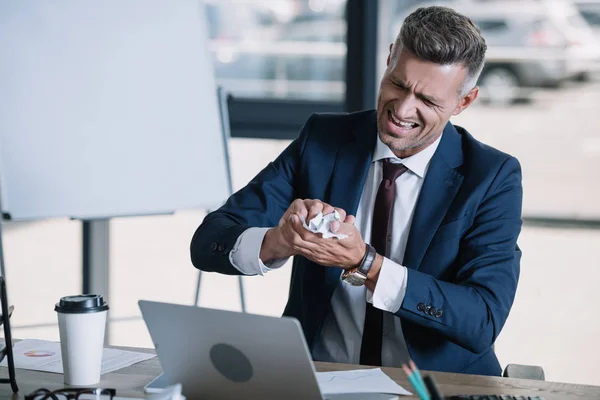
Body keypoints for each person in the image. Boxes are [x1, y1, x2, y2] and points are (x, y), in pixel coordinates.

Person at [190, 5, 522, 376]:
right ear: (389, 58)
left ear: (464, 102)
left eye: (428, 101)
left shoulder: (492, 177)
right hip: (319, 375)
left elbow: (482, 319)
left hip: (435, 385)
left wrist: (366, 263)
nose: (403, 108)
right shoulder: (322, 140)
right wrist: (279, 241)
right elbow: (208, 241)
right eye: (398, 83)